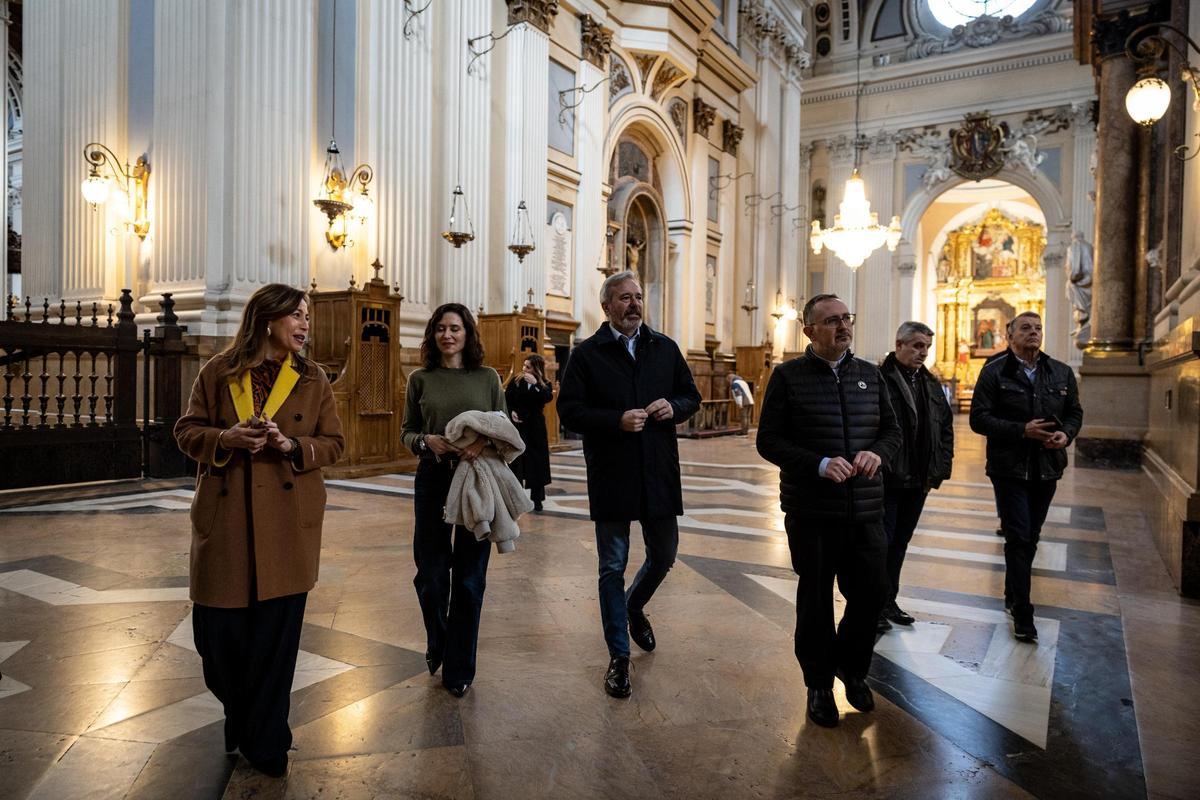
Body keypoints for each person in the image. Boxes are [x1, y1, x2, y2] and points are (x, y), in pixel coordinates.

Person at [174, 284, 345, 777]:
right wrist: (225, 438)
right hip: (226, 521)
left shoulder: (313, 379)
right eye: (296, 315)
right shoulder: (218, 371)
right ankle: (242, 712)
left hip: (288, 524)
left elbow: (334, 444)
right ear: (267, 318)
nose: (305, 324)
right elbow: (186, 430)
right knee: (217, 641)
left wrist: (292, 446)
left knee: (275, 644)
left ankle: (267, 741)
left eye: (307, 316)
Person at [755, 293, 901, 729]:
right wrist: (818, 464)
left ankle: (852, 671)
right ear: (809, 331)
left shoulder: (871, 376)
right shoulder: (788, 377)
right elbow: (770, 441)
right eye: (832, 321)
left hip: (866, 510)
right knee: (816, 601)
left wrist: (878, 453)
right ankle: (818, 684)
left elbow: (892, 431)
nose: (843, 327)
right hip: (813, 512)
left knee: (871, 595)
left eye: (846, 319)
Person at [557, 270, 701, 699]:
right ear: (607, 306)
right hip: (612, 473)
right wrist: (614, 420)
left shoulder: (665, 348)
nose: (634, 304)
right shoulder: (587, 354)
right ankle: (619, 656)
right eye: (624, 298)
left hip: (658, 471)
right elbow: (569, 411)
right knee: (611, 567)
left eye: (638, 297)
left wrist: (672, 407)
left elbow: (690, 397)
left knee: (664, 555)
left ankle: (634, 605)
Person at [401, 303, 507, 698]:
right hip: (433, 478)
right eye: (442, 328)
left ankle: (458, 667)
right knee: (430, 574)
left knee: (469, 577)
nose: (448, 335)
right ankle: (438, 640)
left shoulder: (487, 378)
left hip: (477, 479)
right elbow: (407, 431)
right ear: (432, 334)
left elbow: (505, 425)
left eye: (456, 329)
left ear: (468, 334)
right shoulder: (420, 379)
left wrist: (481, 443)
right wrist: (426, 441)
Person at [969, 311, 1082, 643]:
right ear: (1009, 334)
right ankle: (1022, 610)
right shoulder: (994, 371)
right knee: (1018, 535)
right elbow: (978, 418)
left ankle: (1011, 592)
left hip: (1047, 466)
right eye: (1026, 328)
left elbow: (1074, 411)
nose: (1033, 333)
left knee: (1030, 535)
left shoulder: (1059, 371)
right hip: (1009, 468)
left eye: (1038, 328)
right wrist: (1022, 430)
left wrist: (1067, 434)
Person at [878, 322, 954, 633]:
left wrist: (942, 465)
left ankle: (888, 600)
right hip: (889, 477)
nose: (922, 352)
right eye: (917, 346)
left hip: (919, 478)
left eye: (926, 347)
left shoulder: (931, 383)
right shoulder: (880, 379)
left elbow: (945, 427)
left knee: (900, 543)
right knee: (881, 543)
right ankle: (873, 604)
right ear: (899, 344)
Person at [505, 354, 554, 512]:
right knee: (518, 460)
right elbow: (508, 399)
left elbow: (547, 398)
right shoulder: (516, 380)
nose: (524, 369)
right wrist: (511, 411)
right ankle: (517, 497)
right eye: (524, 365)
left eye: (528, 367)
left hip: (535, 427)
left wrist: (536, 385)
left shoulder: (544, 383)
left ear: (536, 368)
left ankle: (537, 499)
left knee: (537, 461)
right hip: (519, 425)